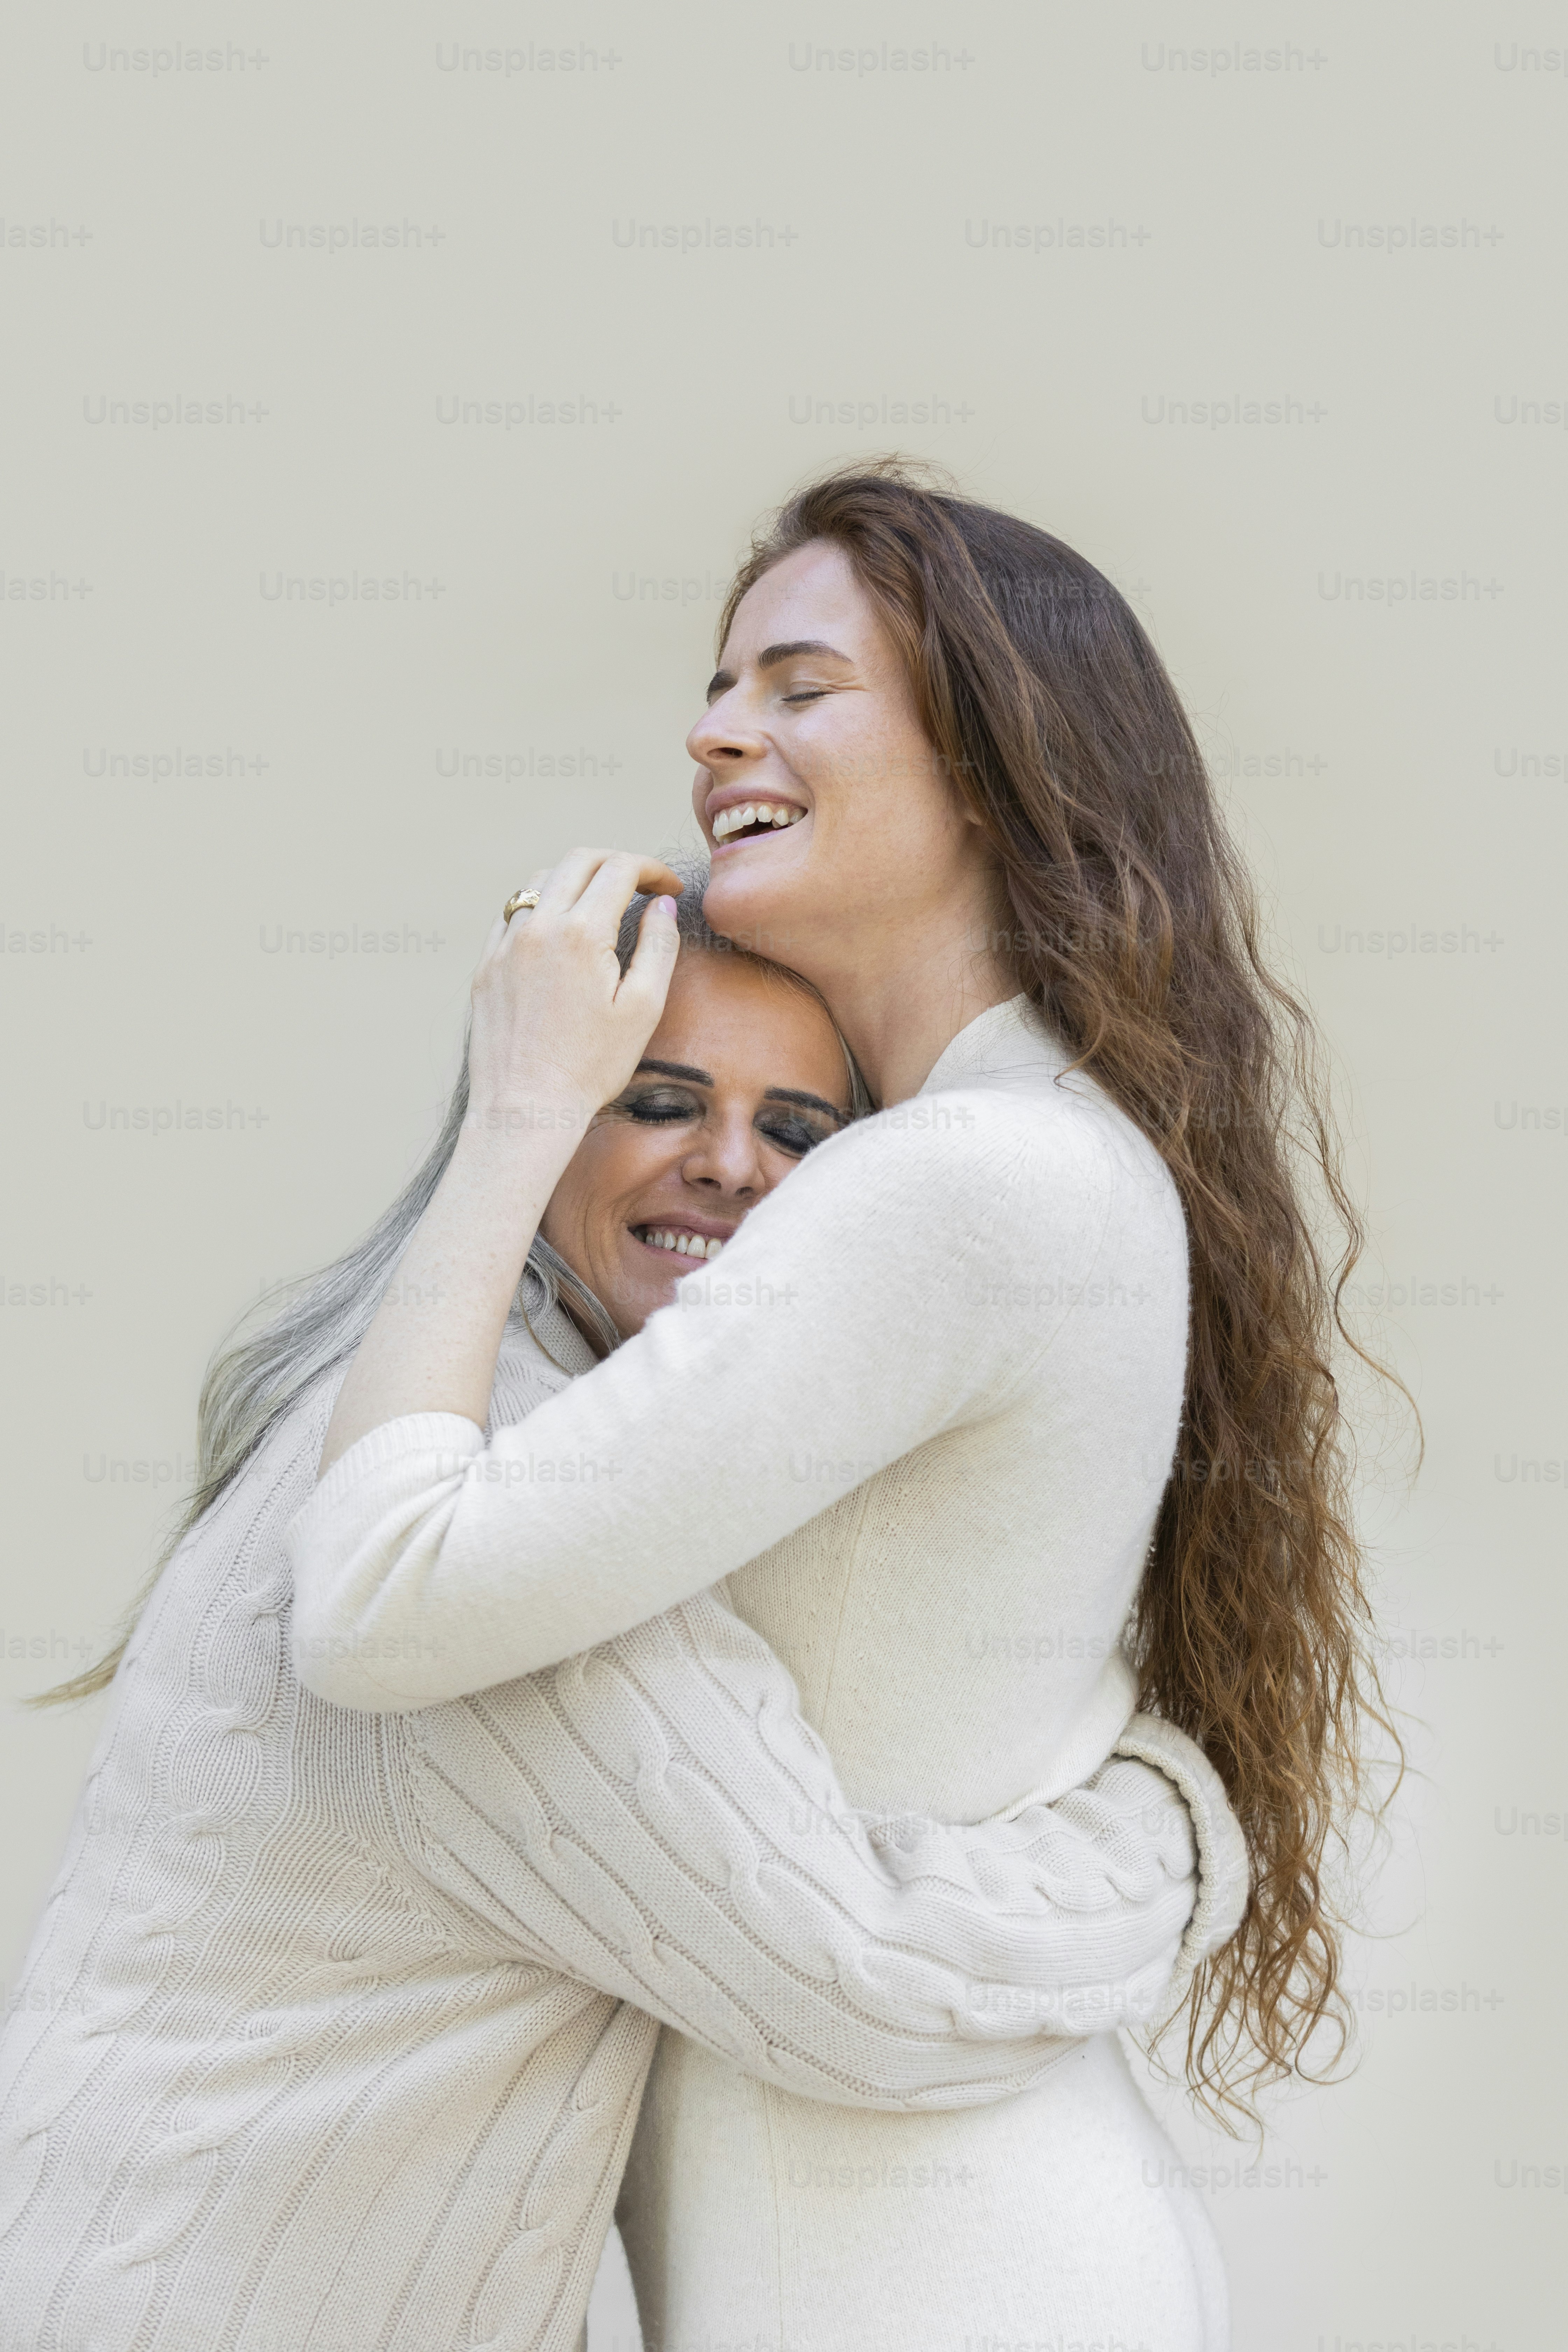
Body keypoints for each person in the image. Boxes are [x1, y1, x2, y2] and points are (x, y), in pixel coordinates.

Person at [288, 464, 1393, 2351]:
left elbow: (379, 1600)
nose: (717, 733)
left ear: (992, 764)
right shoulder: (1013, 1162)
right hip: (911, 2244)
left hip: (920, 2273)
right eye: (721, 689)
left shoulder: (963, 1188)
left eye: (800, 688)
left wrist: (522, 1107)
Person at [0, 893, 1242, 2352]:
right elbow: (867, 1985)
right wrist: (1171, 1817)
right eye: (658, 1103)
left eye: (799, 1131)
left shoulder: (421, 1410)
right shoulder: (493, 1515)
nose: (728, 1163)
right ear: (538, 1125)